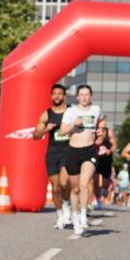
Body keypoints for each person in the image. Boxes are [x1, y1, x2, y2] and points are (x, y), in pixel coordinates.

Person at [58, 84, 100, 236]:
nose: (84, 97)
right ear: (77, 97)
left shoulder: (96, 110)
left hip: (89, 150)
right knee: (74, 189)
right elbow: (62, 132)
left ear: (90, 96)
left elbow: (100, 124)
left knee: (84, 184)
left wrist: (101, 132)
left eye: (87, 94)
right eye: (81, 94)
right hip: (73, 151)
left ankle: (83, 215)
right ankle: (75, 218)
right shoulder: (70, 111)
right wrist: (73, 126)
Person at [32, 83, 71, 229]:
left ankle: (67, 207)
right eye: (54, 94)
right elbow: (35, 136)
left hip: (68, 151)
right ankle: (61, 216)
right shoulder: (46, 115)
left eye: (60, 94)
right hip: (53, 152)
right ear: (51, 96)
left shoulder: (71, 111)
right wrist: (45, 130)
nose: (57, 96)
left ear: (64, 96)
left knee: (64, 182)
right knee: (55, 188)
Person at [93, 116, 116, 211]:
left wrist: (110, 151)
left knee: (105, 184)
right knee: (96, 181)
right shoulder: (93, 131)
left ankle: (103, 192)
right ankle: (97, 200)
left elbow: (114, 144)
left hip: (106, 160)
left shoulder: (109, 131)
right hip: (96, 159)